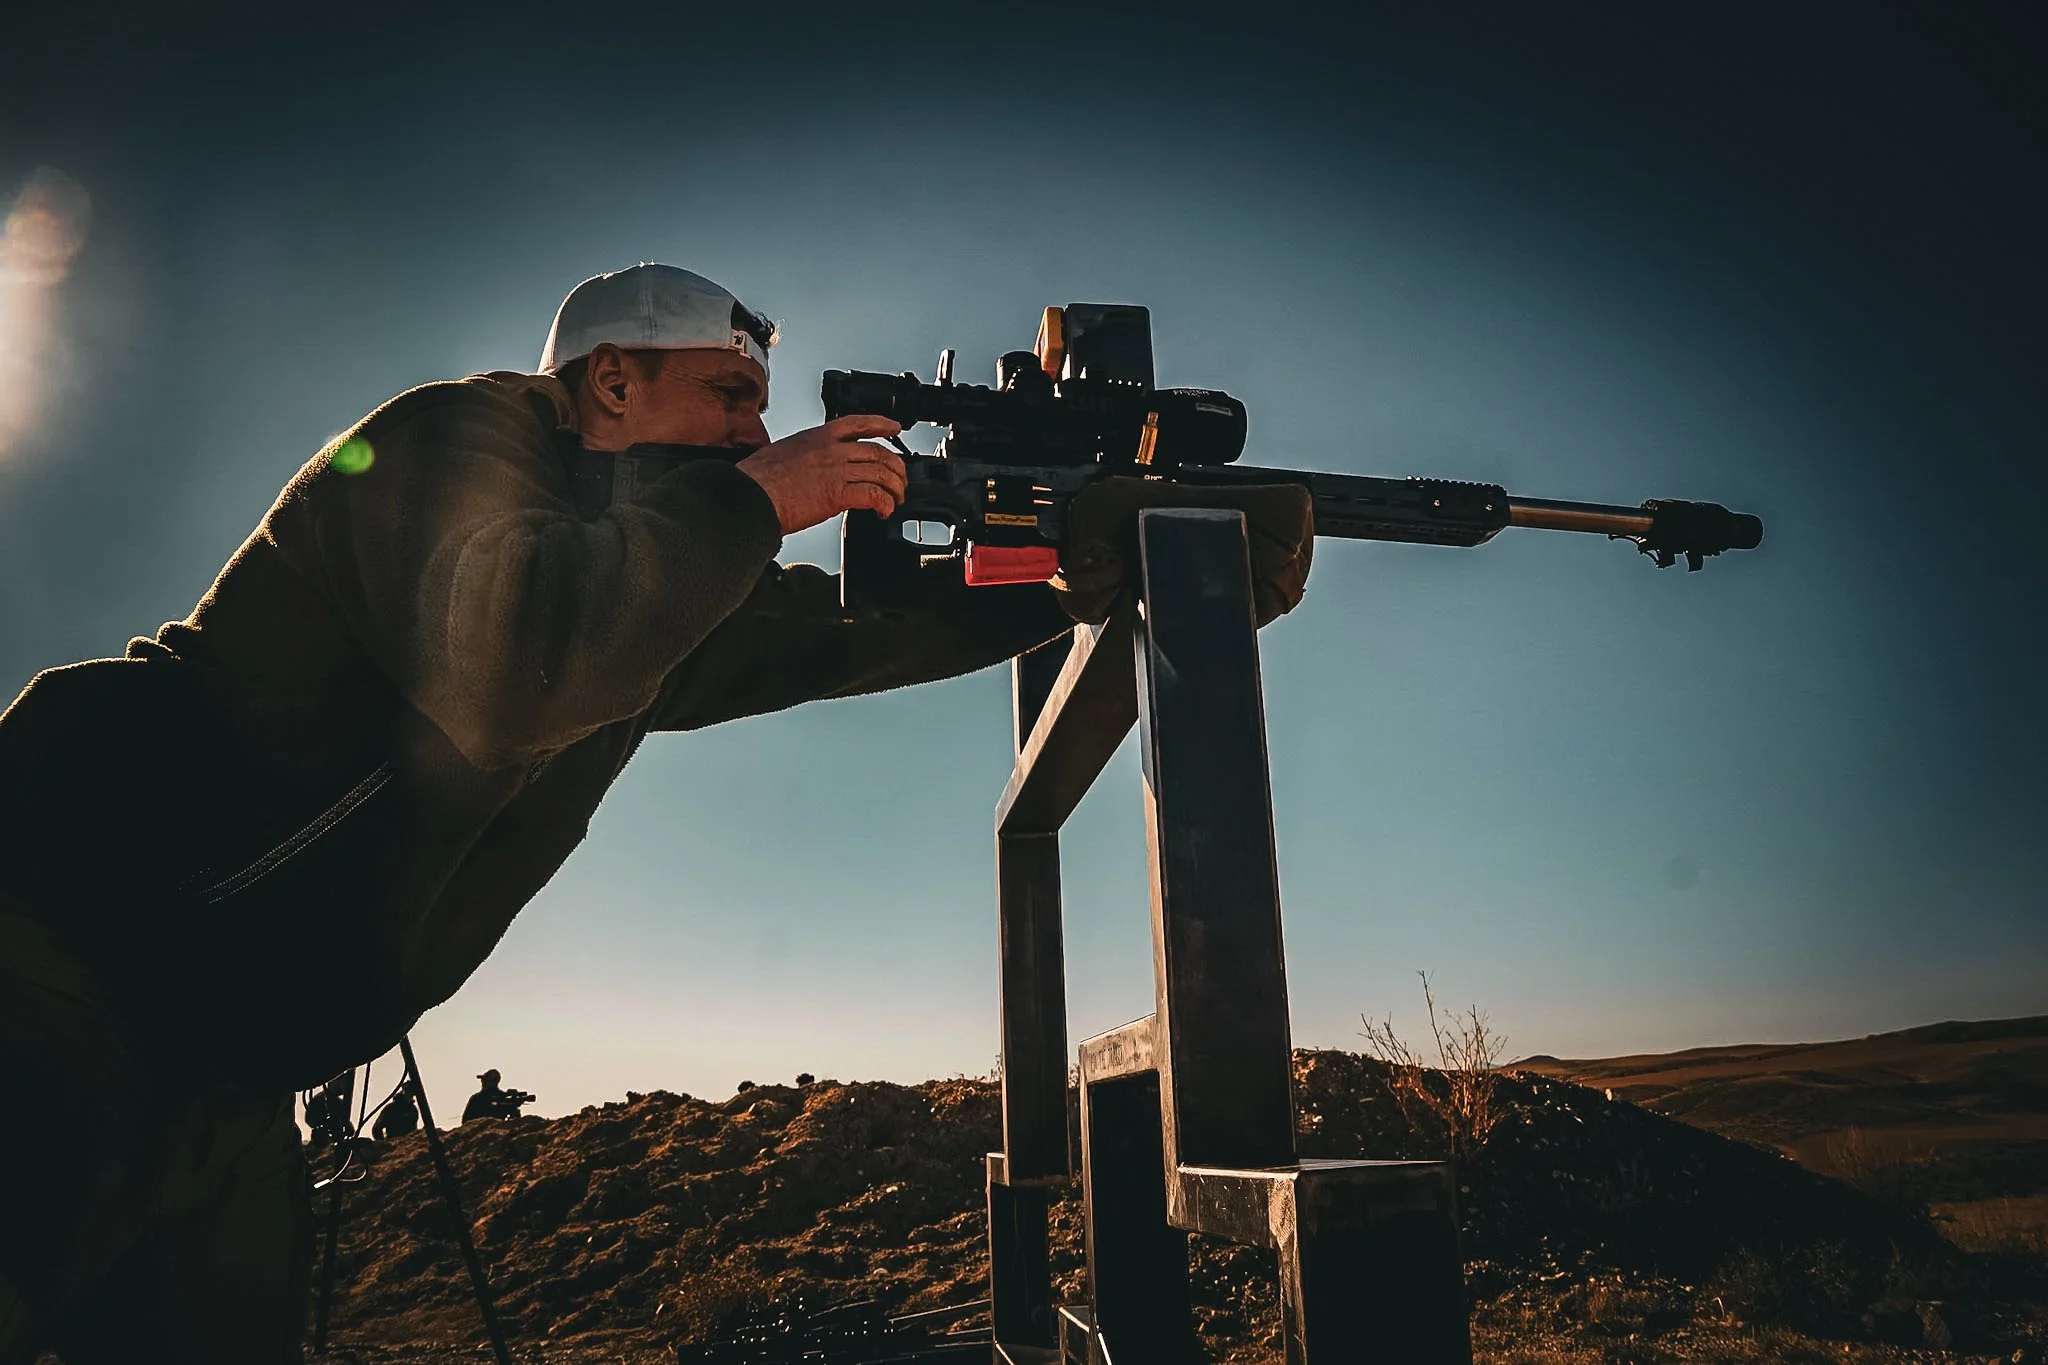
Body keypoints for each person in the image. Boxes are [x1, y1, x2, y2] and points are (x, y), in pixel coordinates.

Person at [0, 263, 1313, 1364]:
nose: (755, 431)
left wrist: (1107, 572)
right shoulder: (456, 439)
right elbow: (520, 666)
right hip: (55, 957)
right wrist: (758, 500)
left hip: (227, 1078)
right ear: (609, 382)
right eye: (729, 396)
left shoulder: (656, 578)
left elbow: (839, 636)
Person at [460, 1069, 529, 1123]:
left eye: (484, 1080)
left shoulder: (477, 1098)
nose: (482, 1082)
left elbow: (465, 1121)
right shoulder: (502, 1096)